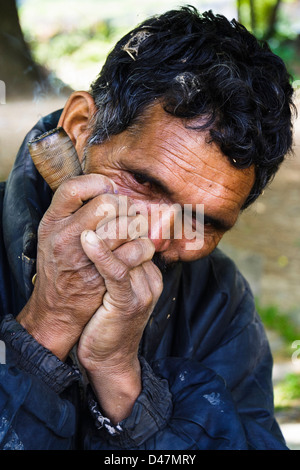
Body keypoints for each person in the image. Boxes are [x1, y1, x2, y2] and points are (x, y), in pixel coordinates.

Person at [0, 6, 295, 450]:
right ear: (82, 128)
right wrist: (49, 324)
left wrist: (121, 377)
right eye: (144, 182)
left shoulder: (218, 300)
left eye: (204, 221)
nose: (156, 238)